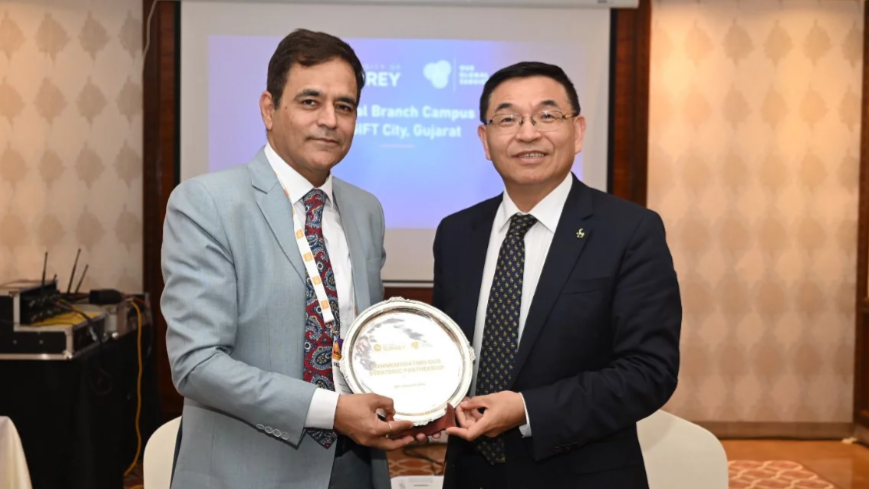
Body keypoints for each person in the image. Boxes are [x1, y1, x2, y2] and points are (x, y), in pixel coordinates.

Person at [161, 29, 416, 489]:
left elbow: (359, 339)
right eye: (310, 102)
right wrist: (332, 411)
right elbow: (197, 364)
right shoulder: (206, 203)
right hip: (245, 471)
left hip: (355, 468)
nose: (330, 121)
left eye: (345, 106)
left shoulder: (366, 210)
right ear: (268, 109)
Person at [432, 61, 682, 489]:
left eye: (547, 116)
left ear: (578, 131)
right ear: (485, 140)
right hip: (470, 475)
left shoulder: (630, 231)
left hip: (582, 476)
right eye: (507, 119)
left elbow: (649, 371)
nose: (527, 133)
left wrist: (528, 409)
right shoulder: (456, 233)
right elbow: (448, 355)